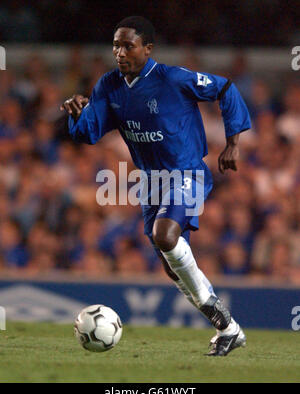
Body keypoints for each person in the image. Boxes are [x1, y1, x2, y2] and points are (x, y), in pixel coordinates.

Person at [61, 16, 251, 356]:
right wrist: (76, 113)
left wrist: (233, 142)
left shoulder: (173, 78)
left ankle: (221, 316)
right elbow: (88, 133)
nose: (120, 52)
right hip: (150, 182)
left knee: (166, 237)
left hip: (186, 173)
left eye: (128, 45)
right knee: (169, 263)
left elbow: (226, 88)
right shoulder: (109, 86)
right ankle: (228, 329)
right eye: (116, 45)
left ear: (147, 49)